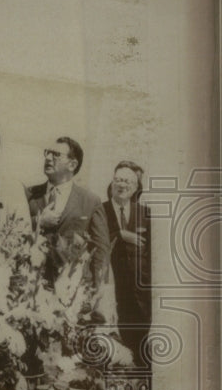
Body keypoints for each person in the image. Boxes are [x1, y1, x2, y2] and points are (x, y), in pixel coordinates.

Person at [26, 137, 110, 287]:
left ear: (72, 164)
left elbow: (101, 251)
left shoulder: (90, 201)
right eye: (47, 153)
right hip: (32, 283)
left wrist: (100, 286)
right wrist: (38, 222)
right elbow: (12, 231)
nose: (48, 158)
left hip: (72, 287)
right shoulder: (29, 194)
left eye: (56, 154)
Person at [102, 161, 152, 368]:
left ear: (136, 187)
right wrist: (119, 235)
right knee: (112, 345)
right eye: (118, 180)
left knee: (140, 347)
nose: (122, 185)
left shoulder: (145, 212)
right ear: (112, 183)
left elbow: (150, 253)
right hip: (111, 288)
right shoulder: (101, 210)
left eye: (128, 181)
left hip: (139, 294)